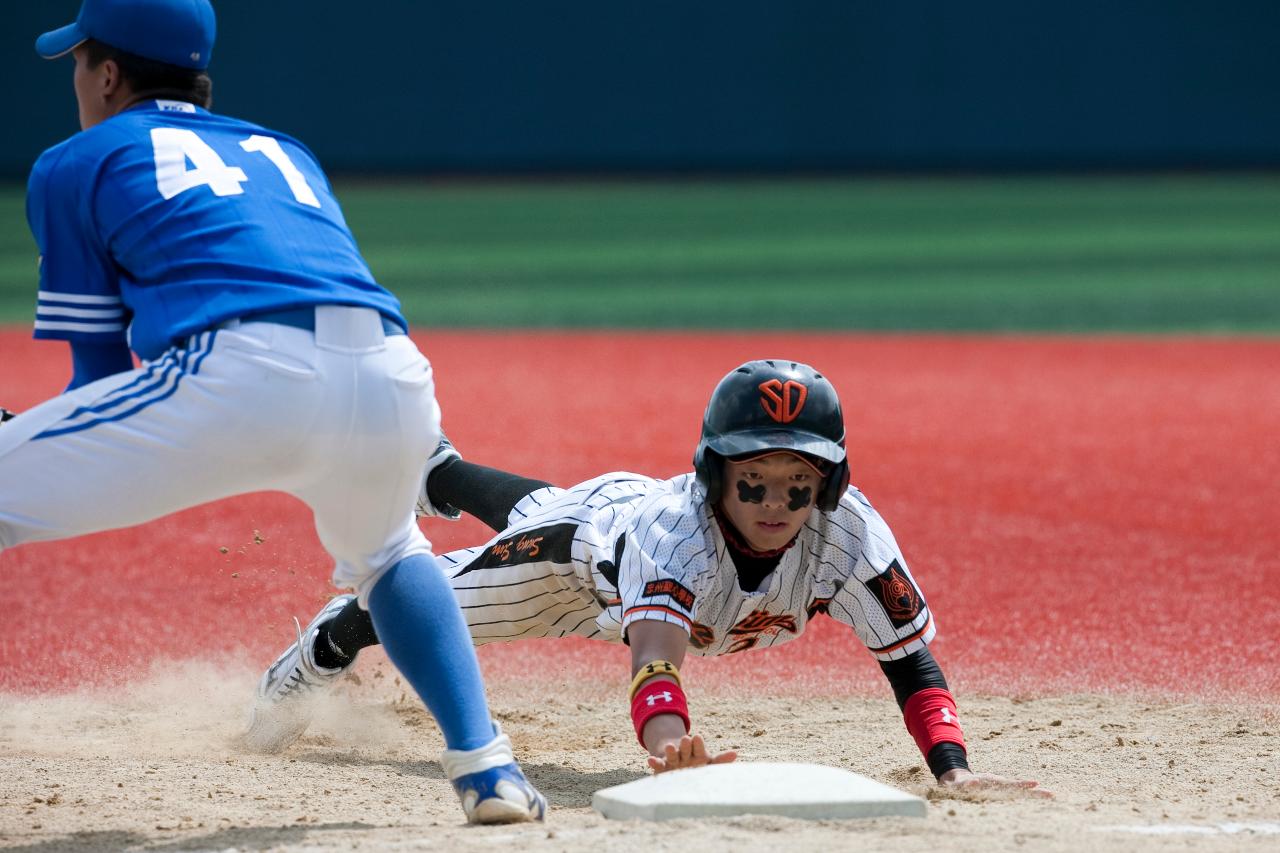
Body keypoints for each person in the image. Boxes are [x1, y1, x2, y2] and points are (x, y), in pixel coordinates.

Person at [2, 0, 544, 824]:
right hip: (395, 377)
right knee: (391, 552)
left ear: (108, 73)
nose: (76, 80)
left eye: (79, 62)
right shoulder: (282, 150)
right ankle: (487, 770)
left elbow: (102, 380)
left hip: (244, 372)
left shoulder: (75, 161)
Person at [246, 359, 1045, 794]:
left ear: (828, 485)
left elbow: (910, 662)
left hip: (611, 517)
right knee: (410, 596)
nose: (775, 503)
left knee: (544, 502)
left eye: (796, 484)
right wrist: (667, 745)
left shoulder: (852, 536)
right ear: (714, 475)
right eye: (753, 480)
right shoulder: (679, 536)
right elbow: (656, 659)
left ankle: (442, 471)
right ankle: (329, 638)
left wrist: (953, 766)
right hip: (579, 570)